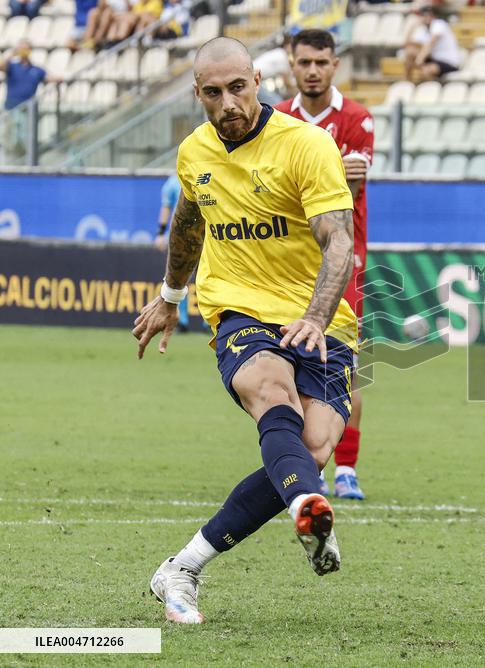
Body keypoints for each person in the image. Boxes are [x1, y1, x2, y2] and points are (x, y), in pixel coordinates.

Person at [133, 36, 357, 624]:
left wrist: (316, 317)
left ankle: (183, 566)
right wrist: (170, 297)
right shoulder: (195, 152)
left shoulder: (306, 145)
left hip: (321, 318)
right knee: (270, 390)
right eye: (213, 92)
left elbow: (339, 241)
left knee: (312, 448)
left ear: (258, 80)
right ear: (197, 93)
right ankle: (308, 504)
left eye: (238, 87)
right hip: (239, 310)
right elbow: (188, 224)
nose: (228, 102)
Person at [275, 29, 374, 501]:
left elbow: (345, 192)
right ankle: (303, 464)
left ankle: (347, 468)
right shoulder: (277, 118)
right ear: (291, 65)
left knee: (344, 366)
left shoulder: (357, 118)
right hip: (287, 263)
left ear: (335, 65)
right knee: (287, 367)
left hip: (342, 262)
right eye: (305, 62)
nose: (313, 70)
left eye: (321, 62)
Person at [153, 173, 193, 332]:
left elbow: (166, 207)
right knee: (181, 278)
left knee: (186, 277)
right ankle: (183, 320)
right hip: (182, 237)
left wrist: (160, 233)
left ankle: (206, 321)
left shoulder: (174, 181)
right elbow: (166, 206)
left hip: (199, 235)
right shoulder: (173, 182)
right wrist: (161, 233)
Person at [404, 5, 461, 82]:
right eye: (424, 15)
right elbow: (407, 45)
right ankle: (407, 82)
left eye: (429, 15)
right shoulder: (424, 29)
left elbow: (431, 43)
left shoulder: (439, 24)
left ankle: (428, 87)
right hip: (436, 60)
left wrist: (420, 59)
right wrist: (412, 27)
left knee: (426, 70)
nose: (427, 17)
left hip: (449, 62)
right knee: (410, 53)